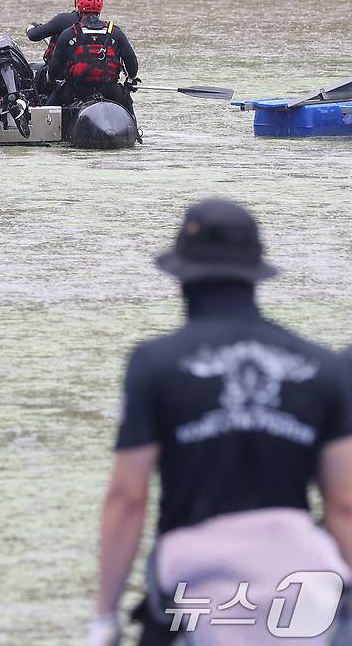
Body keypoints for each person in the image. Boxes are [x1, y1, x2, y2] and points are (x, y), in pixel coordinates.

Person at [91, 199, 352, 646]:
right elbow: (344, 505)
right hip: (303, 591)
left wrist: (105, 616)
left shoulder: (157, 364)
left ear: (181, 279)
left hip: (193, 584)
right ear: (256, 277)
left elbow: (128, 497)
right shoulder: (322, 368)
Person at [46, 0, 139, 110]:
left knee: (49, 108)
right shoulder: (115, 33)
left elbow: (54, 68)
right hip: (110, 90)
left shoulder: (69, 33)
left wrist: (50, 80)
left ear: (78, 7)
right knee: (128, 108)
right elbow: (132, 63)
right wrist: (130, 80)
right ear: (100, 9)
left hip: (76, 89)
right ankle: (135, 128)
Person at [25, 0, 99, 94]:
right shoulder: (108, 29)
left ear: (77, 2)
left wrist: (30, 27)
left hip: (64, 77)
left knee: (26, 72)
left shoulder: (64, 21)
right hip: (94, 78)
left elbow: (34, 35)